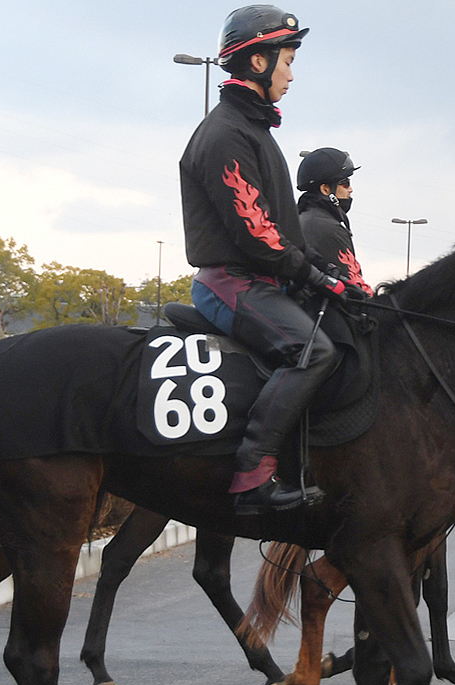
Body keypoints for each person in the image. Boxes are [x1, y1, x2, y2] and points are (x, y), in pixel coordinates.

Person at [179, 6, 353, 515]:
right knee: (311, 352)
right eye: (288, 60)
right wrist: (314, 275)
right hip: (230, 283)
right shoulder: (228, 132)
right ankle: (252, 479)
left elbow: (282, 231)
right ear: (258, 60)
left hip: (259, 281)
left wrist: (330, 278)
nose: (292, 74)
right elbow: (258, 234)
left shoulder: (254, 129)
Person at [296, 147, 373, 296]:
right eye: (345, 183)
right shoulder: (330, 229)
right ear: (325, 189)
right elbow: (356, 287)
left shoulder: (302, 218)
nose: (350, 190)